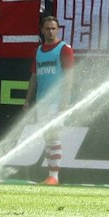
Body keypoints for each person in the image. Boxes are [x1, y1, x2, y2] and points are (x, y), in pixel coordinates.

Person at [28, 14, 75, 185]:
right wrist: (28, 100)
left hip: (57, 101)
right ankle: (51, 175)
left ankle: (54, 176)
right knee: (47, 137)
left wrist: (65, 100)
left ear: (58, 29)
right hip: (42, 101)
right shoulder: (38, 51)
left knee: (54, 135)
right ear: (41, 30)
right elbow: (34, 77)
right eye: (47, 29)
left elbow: (70, 76)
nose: (50, 32)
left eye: (53, 28)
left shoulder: (64, 49)